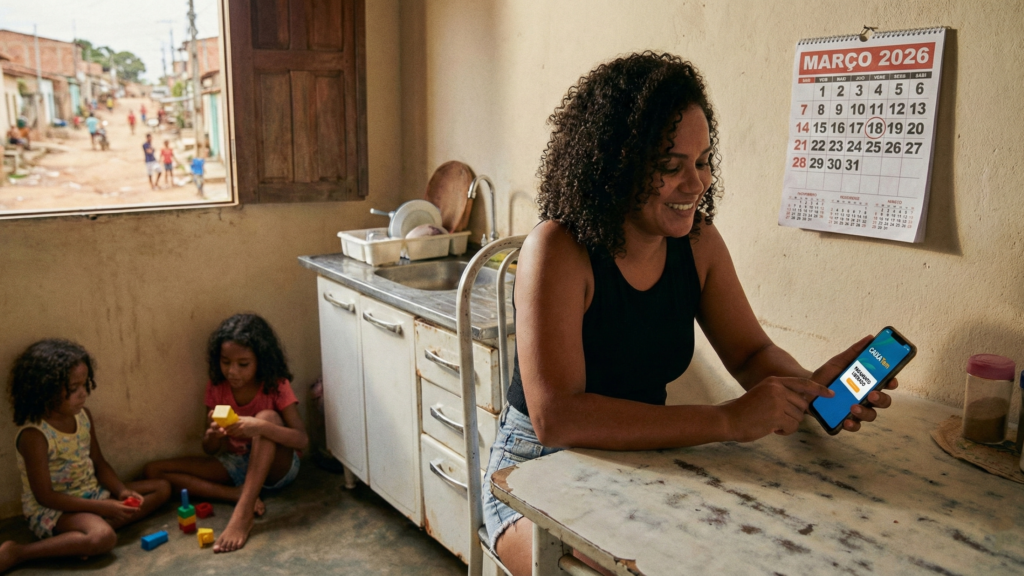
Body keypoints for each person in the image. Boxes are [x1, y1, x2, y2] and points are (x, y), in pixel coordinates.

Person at [481, 52, 899, 576]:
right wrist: (728, 419)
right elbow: (557, 418)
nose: (696, 183)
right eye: (669, 166)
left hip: (643, 461)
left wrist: (815, 391)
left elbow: (751, 353)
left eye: (702, 162)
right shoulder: (559, 248)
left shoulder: (697, 243)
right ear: (615, 165)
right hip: (531, 478)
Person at [0, 340, 171, 573]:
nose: (83, 393)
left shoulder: (83, 417)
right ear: (45, 388)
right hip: (56, 509)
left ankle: (77, 541)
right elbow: (45, 497)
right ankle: (19, 552)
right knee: (105, 538)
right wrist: (104, 508)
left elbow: (99, 464)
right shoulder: (35, 435)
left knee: (161, 488)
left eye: (85, 384)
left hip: (92, 493)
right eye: (73, 388)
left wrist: (121, 491)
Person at [144, 314, 307, 553]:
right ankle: (234, 494)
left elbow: (301, 439)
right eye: (225, 362)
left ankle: (243, 512)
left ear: (260, 361)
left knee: (267, 417)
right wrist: (213, 435)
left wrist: (260, 427)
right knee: (154, 471)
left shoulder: (275, 384)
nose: (232, 372)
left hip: (277, 467)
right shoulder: (218, 387)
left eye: (243, 364)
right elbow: (209, 449)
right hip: (237, 464)